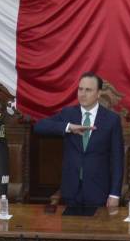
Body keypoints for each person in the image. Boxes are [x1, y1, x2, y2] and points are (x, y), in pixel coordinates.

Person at [34, 73, 124, 209]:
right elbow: (39, 126)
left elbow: (117, 160)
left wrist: (115, 194)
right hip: (71, 190)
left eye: (88, 90)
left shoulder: (112, 120)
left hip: (98, 191)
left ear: (99, 93)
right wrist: (68, 127)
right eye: (80, 89)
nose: (83, 94)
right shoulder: (68, 113)